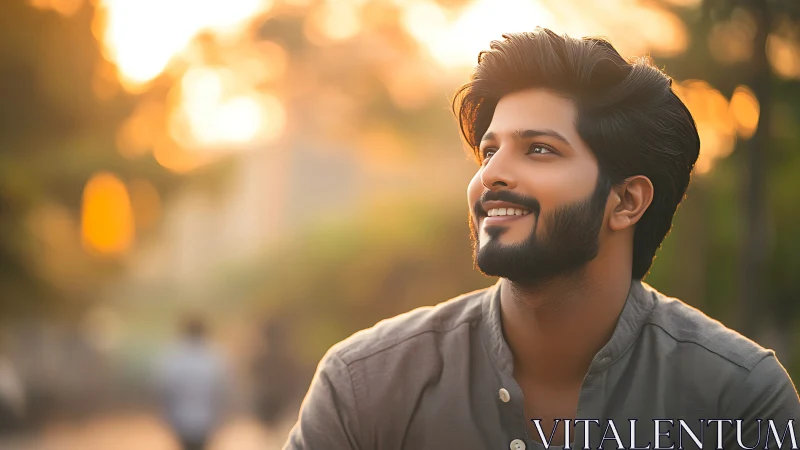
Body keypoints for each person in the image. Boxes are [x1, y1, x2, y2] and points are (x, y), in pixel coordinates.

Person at [283, 28, 800, 450]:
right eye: (489, 153)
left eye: (539, 150)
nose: (491, 176)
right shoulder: (366, 385)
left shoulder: (737, 400)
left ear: (625, 202)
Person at [155, 316, 229, 450]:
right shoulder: (214, 358)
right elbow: (222, 391)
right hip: (207, 420)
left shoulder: (173, 357)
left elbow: (164, 391)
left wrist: (165, 417)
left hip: (180, 419)